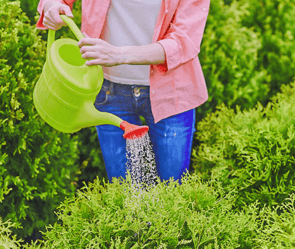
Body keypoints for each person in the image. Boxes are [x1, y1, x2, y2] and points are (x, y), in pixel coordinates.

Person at [36, 0, 209, 183]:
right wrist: (51, 6)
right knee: (125, 193)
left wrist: (120, 55)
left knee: (173, 190)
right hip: (109, 92)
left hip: (172, 93)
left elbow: (184, 41)